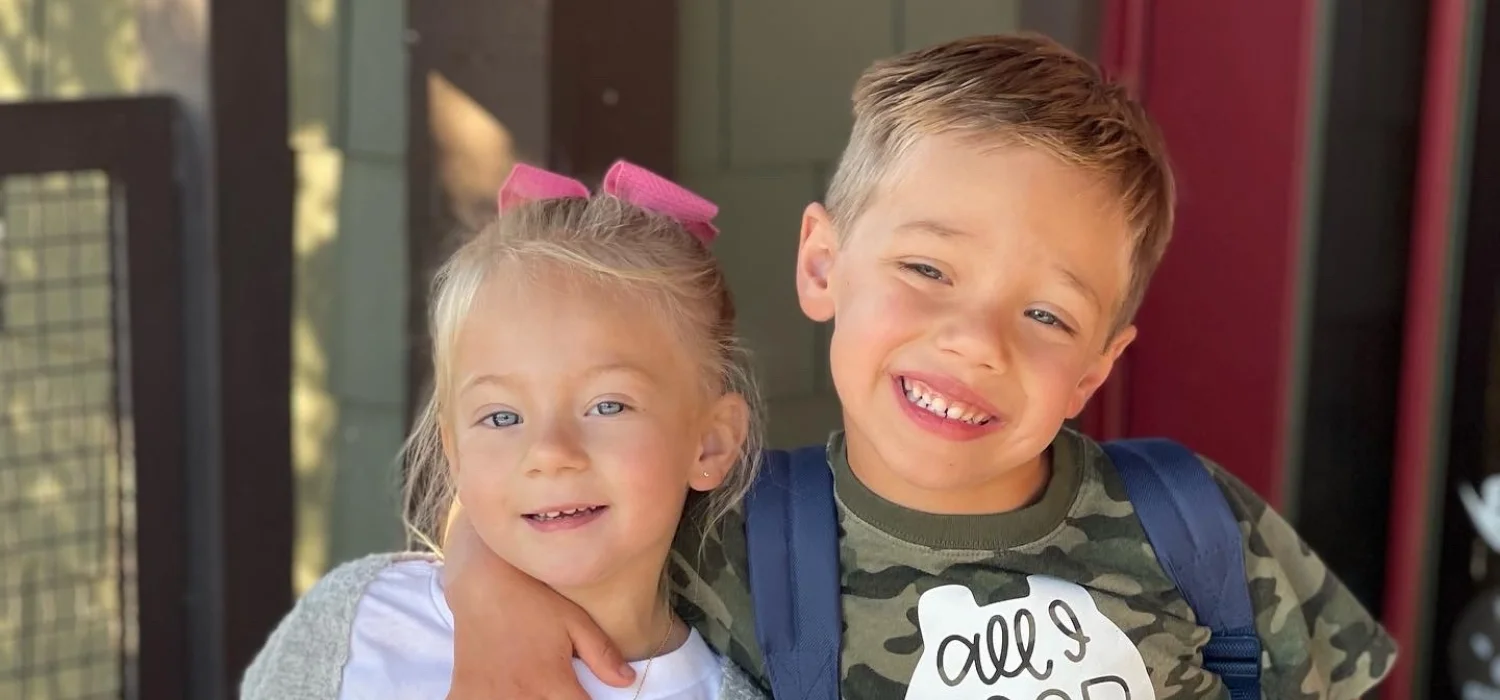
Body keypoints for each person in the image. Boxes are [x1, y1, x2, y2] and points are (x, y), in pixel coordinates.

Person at [444, 33, 1398, 700]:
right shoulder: (725, 535)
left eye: (1045, 314)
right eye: (928, 269)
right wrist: (487, 593)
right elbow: (540, 493)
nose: (976, 341)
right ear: (822, 265)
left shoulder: (1200, 526)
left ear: (1095, 371)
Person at [240, 160, 770, 700]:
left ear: (712, 440)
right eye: (501, 417)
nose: (549, 452)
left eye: (608, 405)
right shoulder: (353, 627)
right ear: (455, 451)